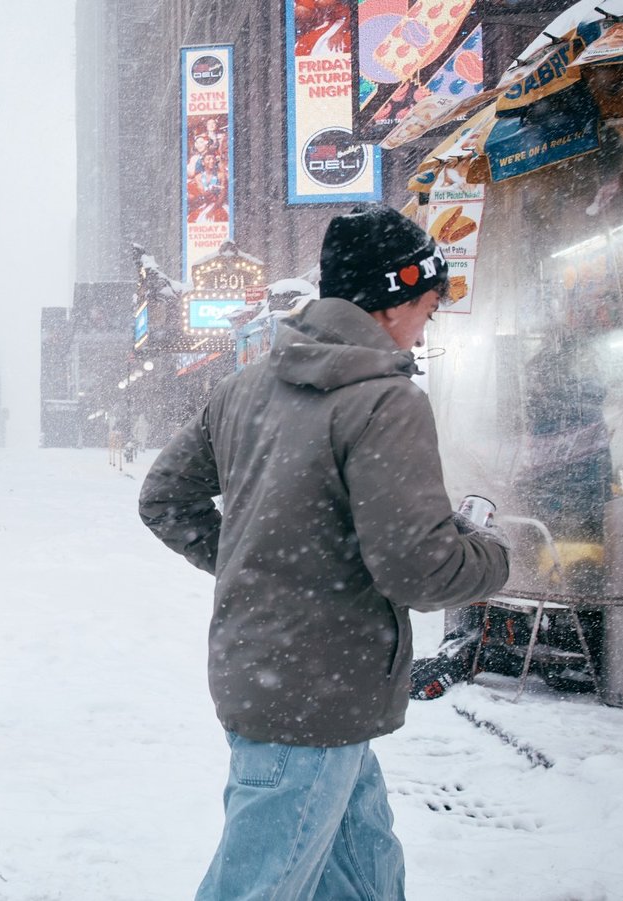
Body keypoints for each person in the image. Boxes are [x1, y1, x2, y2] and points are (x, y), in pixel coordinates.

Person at [137, 204, 511, 900]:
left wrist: (258, 565)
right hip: (322, 686)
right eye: (427, 308)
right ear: (392, 301)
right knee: (259, 884)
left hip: (276, 678)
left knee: (363, 865)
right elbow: (418, 566)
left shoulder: (244, 388)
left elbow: (163, 497)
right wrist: (496, 557)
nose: (426, 325)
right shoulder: (385, 402)